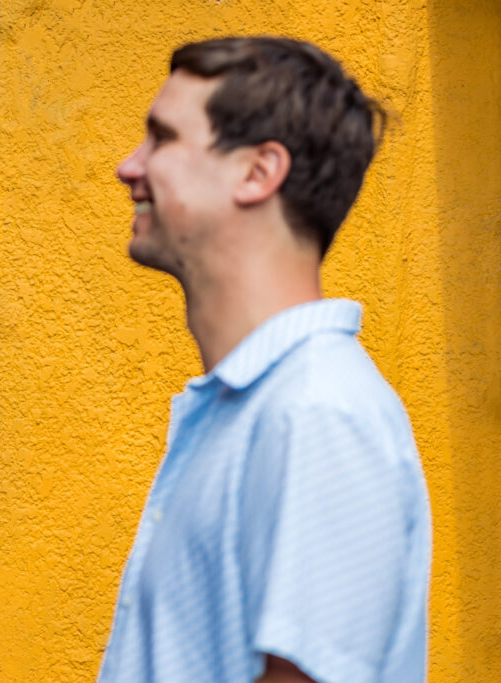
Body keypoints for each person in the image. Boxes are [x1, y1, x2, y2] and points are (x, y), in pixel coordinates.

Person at [99, 37, 431, 683]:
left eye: (162, 139)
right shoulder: (253, 406)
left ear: (258, 172)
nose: (127, 166)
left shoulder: (316, 412)